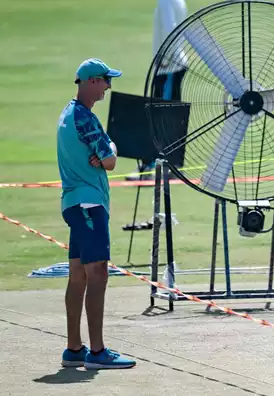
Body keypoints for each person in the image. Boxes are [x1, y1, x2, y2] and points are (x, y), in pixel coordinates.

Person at [57, 58, 136, 369]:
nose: (108, 87)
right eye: (105, 80)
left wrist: (106, 153)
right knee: (98, 273)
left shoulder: (68, 113)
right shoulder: (86, 119)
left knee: (78, 275)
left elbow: (103, 156)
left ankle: (74, 349)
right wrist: (111, 149)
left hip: (75, 203)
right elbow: (110, 160)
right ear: (91, 82)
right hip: (89, 204)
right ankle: (98, 352)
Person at [125, 0, 188, 181]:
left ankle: (150, 168)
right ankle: (171, 167)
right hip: (171, 65)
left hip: (168, 66)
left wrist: (167, 59)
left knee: (159, 117)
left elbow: (170, 28)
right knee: (168, 116)